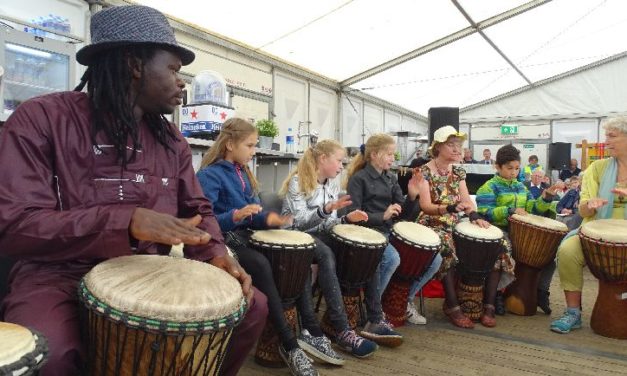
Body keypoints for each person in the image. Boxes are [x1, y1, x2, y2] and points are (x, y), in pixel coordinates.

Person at [0, 6, 267, 376]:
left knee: (252, 309)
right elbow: (16, 226)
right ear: (134, 65)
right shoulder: (41, 119)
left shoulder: (170, 138)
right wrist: (124, 222)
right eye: (173, 69)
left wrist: (215, 252)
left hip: (148, 273)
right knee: (49, 354)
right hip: (55, 273)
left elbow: (197, 209)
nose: (181, 83)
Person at [196, 118, 338, 375]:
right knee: (262, 263)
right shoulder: (209, 175)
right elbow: (205, 221)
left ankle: (310, 330)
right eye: (249, 145)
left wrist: (271, 220)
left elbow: (254, 214)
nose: (253, 150)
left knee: (296, 259)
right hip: (223, 241)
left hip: (247, 234)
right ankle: (290, 345)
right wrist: (235, 216)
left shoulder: (243, 174)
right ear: (230, 144)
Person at [279, 139, 378, 357]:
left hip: (317, 235)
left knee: (364, 249)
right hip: (296, 238)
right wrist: (326, 209)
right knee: (325, 253)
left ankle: (375, 317)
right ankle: (342, 329)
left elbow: (327, 224)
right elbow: (299, 222)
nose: (342, 166)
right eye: (339, 161)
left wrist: (345, 220)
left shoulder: (331, 185)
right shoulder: (298, 182)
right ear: (323, 159)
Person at [414, 126, 496, 328]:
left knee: (498, 243)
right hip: (431, 221)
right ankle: (452, 306)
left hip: (453, 219)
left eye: (459, 145)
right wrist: (449, 207)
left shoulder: (458, 171)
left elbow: (467, 201)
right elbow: (425, 206)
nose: (457, 149)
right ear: (438, 147)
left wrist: (474, 215)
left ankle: (489, 305)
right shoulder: (424, 171)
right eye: (451, 144)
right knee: (446, 245)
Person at [550, 117, 627, 334]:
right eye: (606, 136)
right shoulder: (597, 168)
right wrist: (590, 205)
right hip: (595, 231)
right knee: (567, 251)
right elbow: (582, 209)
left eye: (612, 136)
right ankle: (573, 313)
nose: (606, 141)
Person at [344, 133, 421, 345]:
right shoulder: (358, 179)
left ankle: (387, 304)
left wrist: (412, 196)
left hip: (386, 231)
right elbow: (353, 215)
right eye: (389, 154)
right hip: (367, 233)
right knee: (392, 258)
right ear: (375, 155)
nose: (392, 158)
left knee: (434, 260)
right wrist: (382, 216)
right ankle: (374, 315)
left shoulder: (390, 178)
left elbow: (404, 214)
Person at [476, 144, 565, 316]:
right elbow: (485, 213)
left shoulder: (521, 187)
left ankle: (541, 292)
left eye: (517, 168)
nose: (514, 172)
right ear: (498, 166)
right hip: (499, 230)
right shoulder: (488, 187)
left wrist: (546, 196)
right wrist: (509, 210)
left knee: (550, 256)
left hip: (521, 233)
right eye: (509, 168)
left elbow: (533, 209)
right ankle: (497, 295)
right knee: (505, 252)